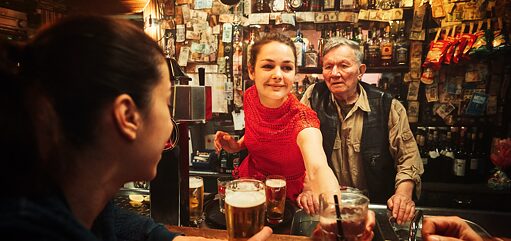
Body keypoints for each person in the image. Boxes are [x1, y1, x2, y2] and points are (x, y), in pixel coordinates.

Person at [0, 15, 271, 241]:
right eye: (165, 102)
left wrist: (171, 239)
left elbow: (113, 222)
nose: (170, 122)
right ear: (127, 116)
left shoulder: (69, 201)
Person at [301, 37, 424, 224]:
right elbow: (299, 146)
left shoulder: (387, 105)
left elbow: (407, 157)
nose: (335, 73)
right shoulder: (313, 96)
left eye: (344, 65)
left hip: (372, 207)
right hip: (327, 207)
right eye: (328, 66)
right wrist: (308, 186)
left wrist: (403, 195)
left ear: (361, 71)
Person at [213, 33, 340, 214]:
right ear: (251, 71)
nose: (278, 75)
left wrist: (338, 216)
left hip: (284, 199)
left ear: (295, 74)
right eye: (268, 66)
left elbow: (318, 168)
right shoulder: (250, 96)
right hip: (250, 188)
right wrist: (237, 145)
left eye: (286, 68)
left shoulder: (302, 119)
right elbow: (259, 134)